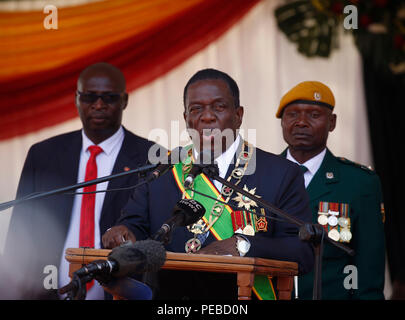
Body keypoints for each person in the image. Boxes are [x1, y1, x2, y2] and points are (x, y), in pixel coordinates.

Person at [102, 68, 314, 300]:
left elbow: (301, 252)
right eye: (196, 109)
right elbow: (133, 224)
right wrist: (122, 233)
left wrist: (242, 245)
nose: (207, 117)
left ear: (238, 115)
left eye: (219, 107)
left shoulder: (280, 173)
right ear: (186, 119)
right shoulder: (163, 169)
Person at [2, 62, 155, 299]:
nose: (99, 105)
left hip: (119, 294)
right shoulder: (43, 155)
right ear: (76, 99)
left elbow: (156, 237)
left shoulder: (151, 157)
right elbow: (19, 235)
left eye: (109, 98)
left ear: (124, 100)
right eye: (89, 97)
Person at [277, 80, 386, 299]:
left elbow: (368, 269)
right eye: (292, 115)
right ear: (282, 122)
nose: (301, 122)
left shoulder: (360, 183)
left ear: (332, 122)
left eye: (314, 115)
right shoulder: (261, 175)